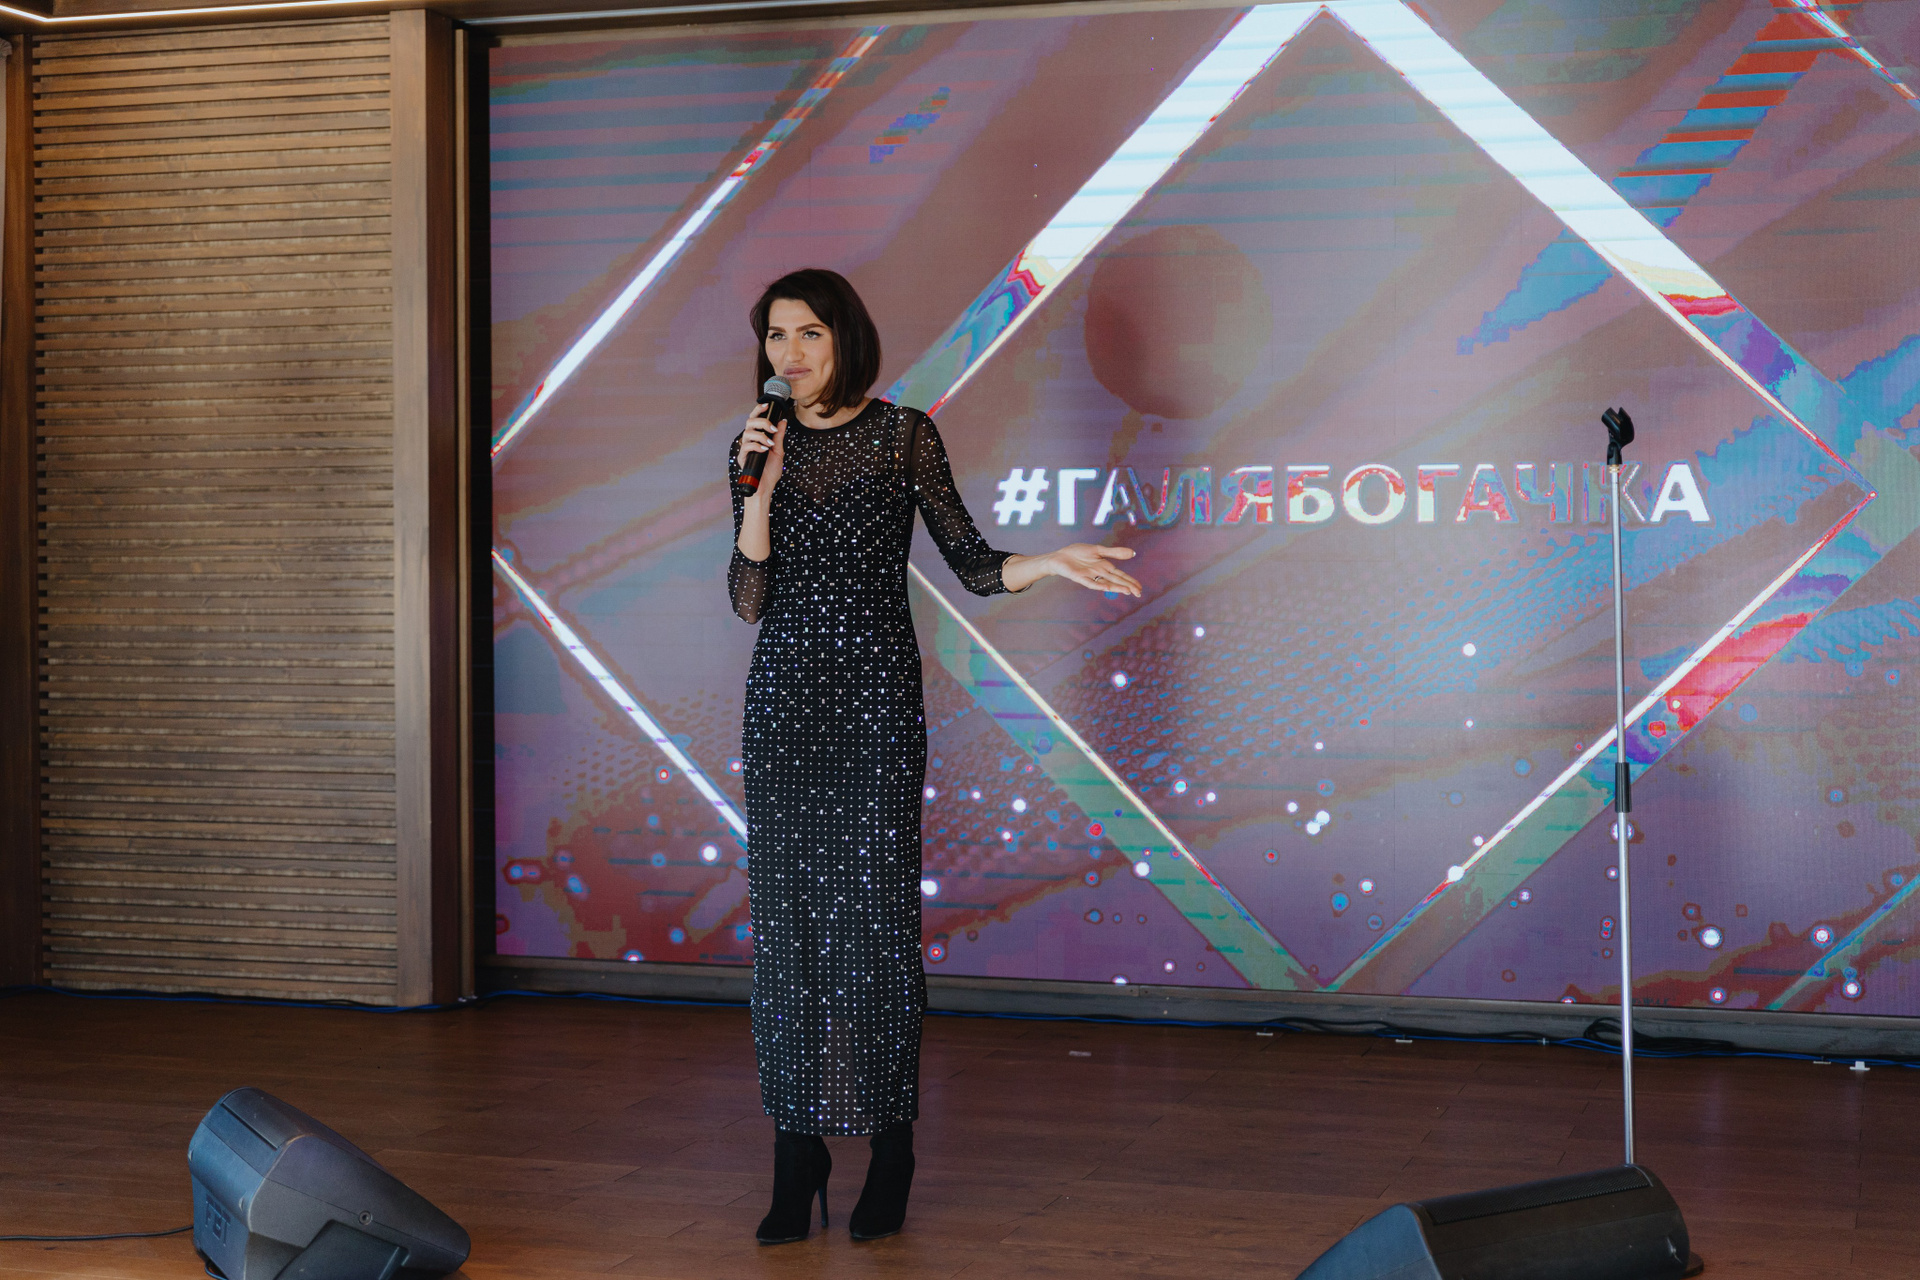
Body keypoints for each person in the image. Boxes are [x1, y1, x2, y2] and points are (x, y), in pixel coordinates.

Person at [728, 268, 1141, 1245]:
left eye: (810, 333)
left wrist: (1047, 562)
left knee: (875, 926)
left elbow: (971, 562)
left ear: (845, 338)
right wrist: (758, 493)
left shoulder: (903, 433)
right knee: (788, 932)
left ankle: (891, 1145)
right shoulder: (757, 444)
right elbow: (748, 599)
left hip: (874, 705)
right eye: (777, 336)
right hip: (784, 706)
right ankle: (796, 1150)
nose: (791, 353)